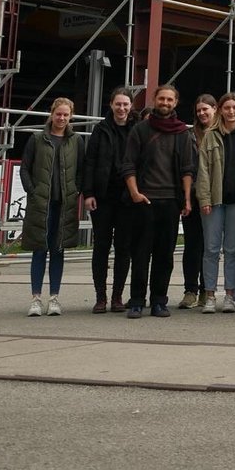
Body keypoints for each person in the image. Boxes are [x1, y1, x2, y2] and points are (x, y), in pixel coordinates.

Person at [122, 84, 195, 318]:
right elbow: (129, 164)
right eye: (161, 99)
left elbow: (187, 168)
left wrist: (186, 199)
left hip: (170, 202)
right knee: (140, 253)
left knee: (165, 255)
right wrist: (134, 193)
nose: (165, 103)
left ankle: (159, 301)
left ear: (176, 103)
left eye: (169, 100)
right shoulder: (140, 130)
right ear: (155, 100)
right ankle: (136, 300)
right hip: (144, 200)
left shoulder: (182, 132)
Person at [21, 97, 85, 316]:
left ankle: (54, 298)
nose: (62, 118)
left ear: (71, 116)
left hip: (64, 204)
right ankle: (36, 299)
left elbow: (80, 170)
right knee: (40, 249)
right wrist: (33, 191)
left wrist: (76, 189)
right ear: (52, 114)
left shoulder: (76, 141)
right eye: (58, 114)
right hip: (41, 204)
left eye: (66, 115)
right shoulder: (37, 139)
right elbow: (25, 168)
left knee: (58, 250)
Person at [197, 91, 235, 313]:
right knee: (211, 248)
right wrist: (204, 198)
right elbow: (202, 171)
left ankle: (230, 295)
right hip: (214, 201)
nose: (231, 111)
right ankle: (210, 295)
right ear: (220, 110)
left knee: (233, 249)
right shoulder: (210, 137)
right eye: (227, 107)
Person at [83, 85, 138, 313]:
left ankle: (117, 296)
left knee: (123, 247)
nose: (122, 108)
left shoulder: (137, 129)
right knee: (101, 247)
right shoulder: (101, 129)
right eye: (118, 104)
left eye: (126, 104)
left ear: (131, 106)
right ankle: (100, 297)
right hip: (103, 197)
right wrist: (88, 193)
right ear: (111, 105)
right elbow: (90, 161)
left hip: (127, 197)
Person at [178, 94, 215, 309]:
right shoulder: (189, 135)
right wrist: (185, 197)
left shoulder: (220, 133)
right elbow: (185, 166)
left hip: (215, 196)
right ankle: (190, 290)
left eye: (206, 109)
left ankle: (206, 290)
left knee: (209, 246)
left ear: (214, 109)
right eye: (199, 110)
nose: (202, 113)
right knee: (192, 244)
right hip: (192, 194)